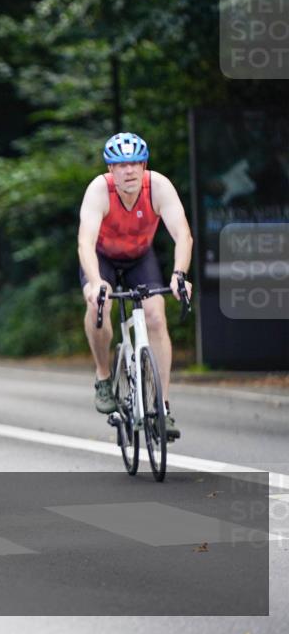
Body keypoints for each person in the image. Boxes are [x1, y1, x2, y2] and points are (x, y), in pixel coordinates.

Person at [78, 133, 194, 441]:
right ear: (110, 169)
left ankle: (162, 407)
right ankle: (104, 376)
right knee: (98, 303)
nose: (129, 170)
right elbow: (85, 243)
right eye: (121, 165)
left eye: (135, 163)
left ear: (144, 165)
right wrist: (95, 282)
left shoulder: (159, 187)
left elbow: (183, 235)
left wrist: (179, 274)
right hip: (102, 258)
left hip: (140, 258)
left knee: (156, 315)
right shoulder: (99, 191)